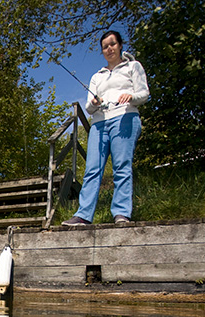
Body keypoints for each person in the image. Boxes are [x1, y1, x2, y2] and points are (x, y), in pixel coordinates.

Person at [63, 30, 150, 226]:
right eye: (105, 47)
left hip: (125, 118)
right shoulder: (97, 76)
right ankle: (84, 215)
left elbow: (144, 93)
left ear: (120, 45)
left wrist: (131, 97)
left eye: (112, 44)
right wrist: (94, 102)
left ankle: (121, 213)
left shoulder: (133, 67)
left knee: (121, 167)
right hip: (99, 124)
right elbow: (88, 107)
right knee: (92, 169)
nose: (109, 49)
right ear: (102, 51)